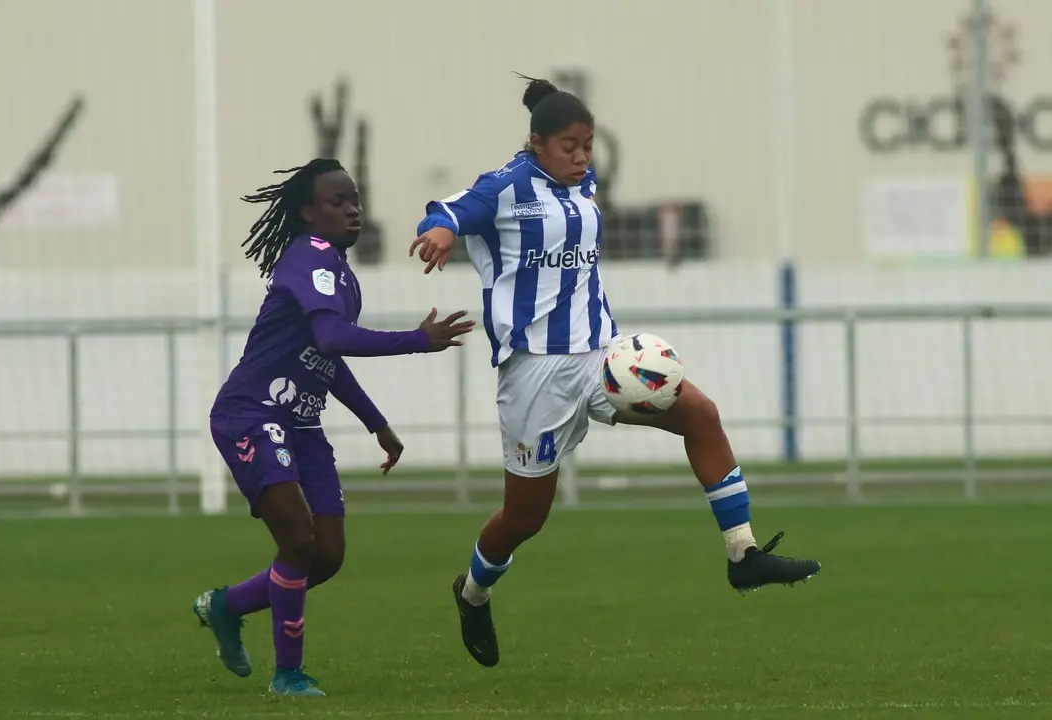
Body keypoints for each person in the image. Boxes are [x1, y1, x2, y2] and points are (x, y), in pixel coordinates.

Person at [410, 77, 821, 668]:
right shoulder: (505, 188)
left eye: (588, 145)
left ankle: (743, 555)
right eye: (569, 146)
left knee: (701, 414)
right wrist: (441, 230)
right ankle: (473, 592)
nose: (582, 157)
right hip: (534, 376)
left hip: (602, 361)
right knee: (526, 518)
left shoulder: (584, 185)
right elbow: (450, 209)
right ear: (536, 145)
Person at [193, 158, 474, 696]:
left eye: (355, 199)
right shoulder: (309, 256)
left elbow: (325, 359)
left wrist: (377, 424)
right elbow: (331, 338)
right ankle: (288, 675)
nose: (352, 208)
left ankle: (225, 607)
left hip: (300, 424)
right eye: (336, 201)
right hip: (251, 414)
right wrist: (416, 339)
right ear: (307, 212)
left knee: (327, 555)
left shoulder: (341, 273)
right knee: (298, 539)